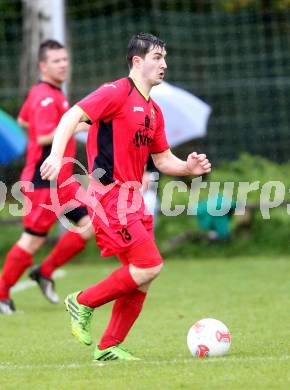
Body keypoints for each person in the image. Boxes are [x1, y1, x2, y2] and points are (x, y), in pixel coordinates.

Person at [40, 32, 211, 361]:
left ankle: (107, 348)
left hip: (134, 199)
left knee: (141, 278)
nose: (164, 64)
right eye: (157, 57)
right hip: (110, 197)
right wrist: (57, 155)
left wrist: (188, 168)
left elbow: (162, 160)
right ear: (137, 61)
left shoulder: (154, 111)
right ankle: (82, 302)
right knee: (149, 266)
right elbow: (71, 116)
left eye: (164, 57)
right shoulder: (115, 92)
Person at [0, 40, 94, 314]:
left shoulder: (49, 93)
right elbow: (41, 135)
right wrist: (79, 125)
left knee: (90, 225)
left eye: (65, 59)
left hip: (63, 181)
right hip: (44, 180)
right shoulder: (45, 96)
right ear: (43, 66)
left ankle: (45, 271)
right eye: (56, 61)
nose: (63, 64)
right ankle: (2, 292)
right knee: (33, 239)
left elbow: (23, 121)